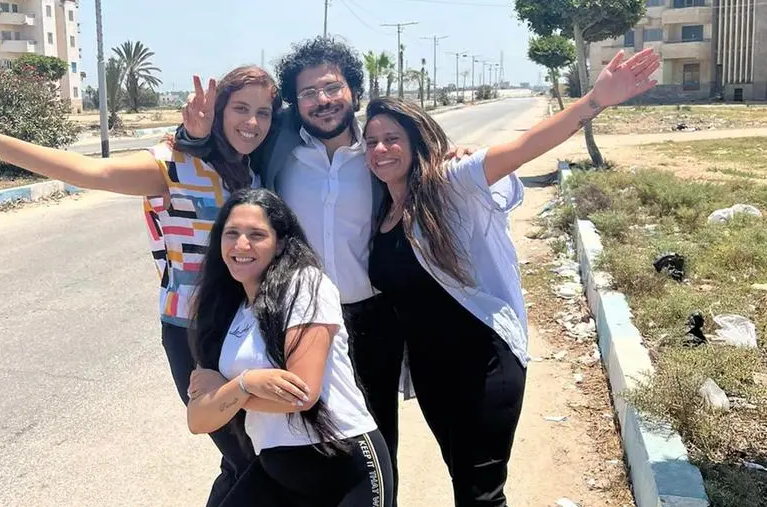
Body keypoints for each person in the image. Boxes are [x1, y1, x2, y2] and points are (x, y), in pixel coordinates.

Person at [0, 65, 283, 506]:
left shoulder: (250, 172)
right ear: (219, 110)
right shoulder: (171, 166)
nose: (252, 122)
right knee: (250, 459)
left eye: (263, 112)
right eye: (240, 108)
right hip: (194, 331)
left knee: (248, 456)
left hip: (243, 327)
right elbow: (90, 171)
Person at [173, 39, 470, 503]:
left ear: (353, 89)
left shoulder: (377, 152)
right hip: (287, 313)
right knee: (263, 440)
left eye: (332, 87)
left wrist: (454, 156)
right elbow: (234, 141)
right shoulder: (280, 147)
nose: (322, 100)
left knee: (370, 437)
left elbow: (423, 169)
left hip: (369, 319)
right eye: (308, 93)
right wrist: (191, 135)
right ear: (295, 104)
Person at [362, 49, 660, 506]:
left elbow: (524, 148)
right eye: (371, 142)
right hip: (430, 372)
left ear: (416, 140)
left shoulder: (449, 183)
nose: (380, 150)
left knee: (481, 493)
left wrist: (594, 101)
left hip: (484, 361)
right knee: (464, 480)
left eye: (391, 138)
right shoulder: (382, 208)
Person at [186, 187, 393, 506]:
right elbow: (198, 420)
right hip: (277, 470)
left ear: (280, 242)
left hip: (344, 464)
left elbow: (301, 394)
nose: (241, 245)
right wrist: (246, 385)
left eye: (256, 235)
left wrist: (229, 392)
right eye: (232, 233)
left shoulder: (305, 284)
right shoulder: (225, 311)